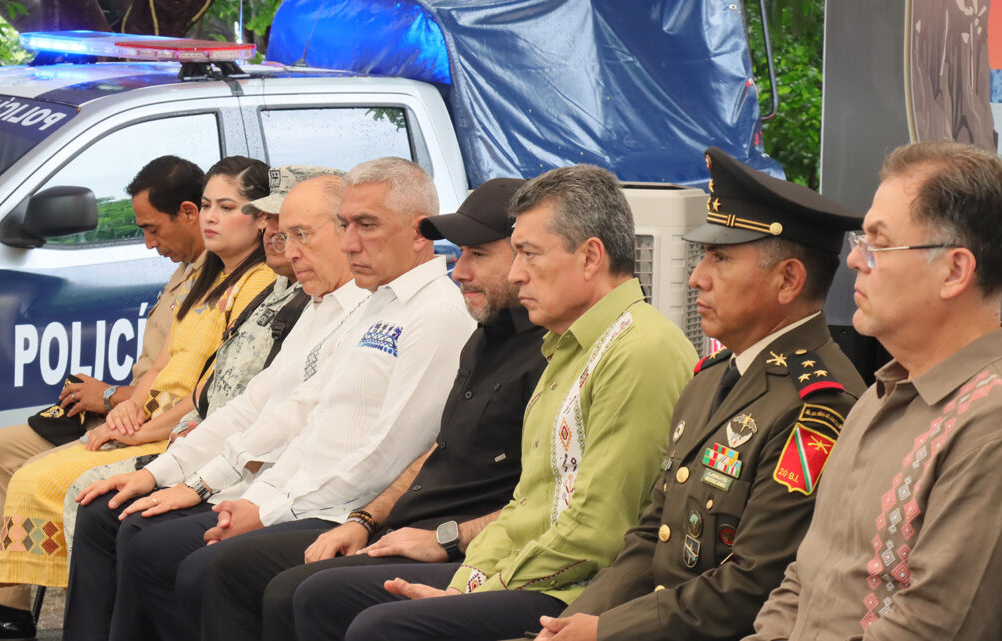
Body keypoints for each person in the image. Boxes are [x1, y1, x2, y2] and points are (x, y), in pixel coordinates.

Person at [66, 156, 475, 641]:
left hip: (343, 510)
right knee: (127, 525)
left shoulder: (434, 313)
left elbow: (391, 453)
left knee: (183, 559)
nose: (349, 243)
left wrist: (258, 507)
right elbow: (293, 416)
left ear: (420, 232)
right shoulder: (371, 303)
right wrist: (199, 485)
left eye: (364, 226)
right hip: (292, 492)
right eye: (345, 226)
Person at [291, 164, 698, 641]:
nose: (515, 272)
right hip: (522, 569)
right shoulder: (568, 344)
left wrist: (478, 586)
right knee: (321, 596)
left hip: (577, 595)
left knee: (377, 626)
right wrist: (470, 580)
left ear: (590, 258)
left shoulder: (640, 349)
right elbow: (527, 506)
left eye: (527, 253)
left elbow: (597, 534)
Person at [532, 147, 867, 641]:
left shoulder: (817, 405)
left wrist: (604, 630)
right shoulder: (711, 377)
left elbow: (752, 586)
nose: (696, 276)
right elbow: (651, 538)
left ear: (788, 279)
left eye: (721, 257)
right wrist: (568, 625)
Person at [193, 177, 547, 641]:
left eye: (477, 255)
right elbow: (433, 448)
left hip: (451, 538)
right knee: (210, 561)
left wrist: (445, 539)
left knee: (276, 585)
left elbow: (552, 503)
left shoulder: (488, 328)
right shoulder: (482, 333)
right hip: (394, 518)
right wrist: (366, 519)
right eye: (343, 225)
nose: (458, 271)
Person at [745, 142, 1002, 640]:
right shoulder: (879, 395)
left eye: (878, 243)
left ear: (954, 271)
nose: (855, 262)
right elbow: (806, 577)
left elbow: (931, 630)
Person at [0, 155, 207, 641]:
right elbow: (159, 369)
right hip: (129, 411)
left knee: (44, 476)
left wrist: (113, 398)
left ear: (188, 213)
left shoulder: (225, 281)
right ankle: (3, 611)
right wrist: (112, 396)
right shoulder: (192, 269)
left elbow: (189, 389)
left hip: (156, 428)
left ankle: (90, 617)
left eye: (152, 229)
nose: (148, 243)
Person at [0, 156, 277, 600]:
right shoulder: (205, 274)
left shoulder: (259, 282)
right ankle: (8, 611)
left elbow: (210, 397)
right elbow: (163, 365)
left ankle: (46, 612)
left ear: (261, 220)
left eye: (227, 207)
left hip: (179, 434)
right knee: (23, 465)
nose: (213, 217)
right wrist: (131, 407)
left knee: (50, 484)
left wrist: (132, 423)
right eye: (209, 204)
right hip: (145, 418)